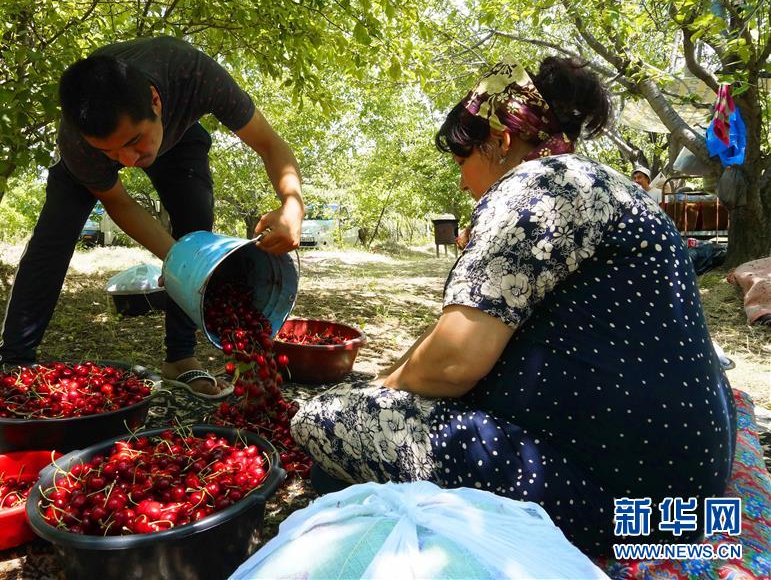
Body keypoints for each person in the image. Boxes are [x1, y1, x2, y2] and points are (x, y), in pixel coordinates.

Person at [291, 56, 736, 555]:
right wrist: (393, 381)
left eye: (463, 161)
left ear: (501, 141)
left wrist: (378, 391)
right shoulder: (610, 186)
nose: (462, 181)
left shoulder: (535, 187)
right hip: (689, 485)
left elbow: (454, 363)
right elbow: (460, 332)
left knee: (323, 416)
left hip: (625, 507)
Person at [0, 36, 304, 399]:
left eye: (133, 141)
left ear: (155, 101)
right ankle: (13, 361)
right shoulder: (81, 144)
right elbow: (120, 203)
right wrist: (185, 264)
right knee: (54, 234)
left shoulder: (194, 74)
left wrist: (292, 205)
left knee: (196, 215)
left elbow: (269, 143)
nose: (127, 159)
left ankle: (180, 358)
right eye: (112, 150)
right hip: (90, 162)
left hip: (180, 136)